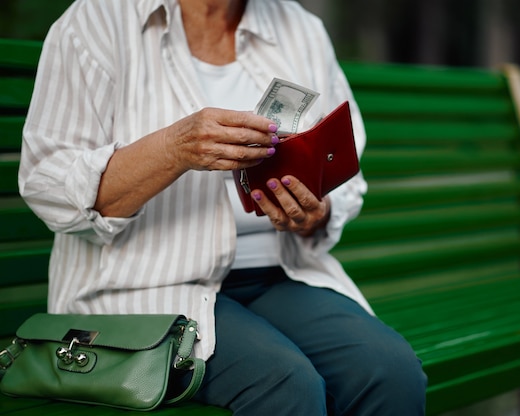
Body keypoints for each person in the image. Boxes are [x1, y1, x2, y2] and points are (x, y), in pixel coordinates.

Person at [19, 0, 427, 414]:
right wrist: (173, 149)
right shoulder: (97, 20)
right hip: (144, 285)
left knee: (390, 371)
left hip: (276, 274)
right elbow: (47, 185)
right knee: (285, 384)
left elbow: (344, 167)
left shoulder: (300, 28)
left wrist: (315, 212)